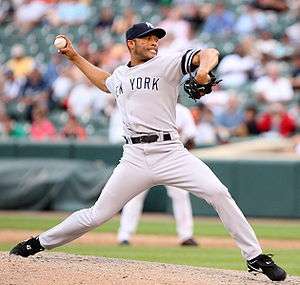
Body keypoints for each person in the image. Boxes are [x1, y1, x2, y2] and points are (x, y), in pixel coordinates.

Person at [10, 22, 286, 282]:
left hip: (170, 151)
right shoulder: (121, 74)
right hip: (134, 158)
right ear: (131, 43)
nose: (155, 42)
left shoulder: (166, 64)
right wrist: (73, 56)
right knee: (97, 215)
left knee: (218, 192)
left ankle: (254, 257)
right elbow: (105, 82)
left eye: (157, 38)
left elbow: (209, 53)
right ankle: (37, 242)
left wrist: (202, 72)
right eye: (149, 37)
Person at [118, 102, 198, 246]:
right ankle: (124, 235)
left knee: (180, 195)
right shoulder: (149, 106)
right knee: (134, 196)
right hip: (146, 156)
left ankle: (186, 236)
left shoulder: (182, 111)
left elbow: (192, 139)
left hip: (172, 159)